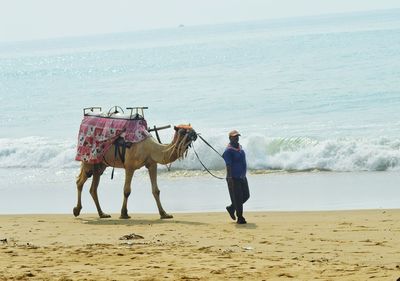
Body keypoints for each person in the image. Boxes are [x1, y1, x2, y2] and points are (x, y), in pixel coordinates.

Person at [222, 130, 250, 224]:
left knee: (246, 196)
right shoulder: (228, 151)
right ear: (230, 138)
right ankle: (240, 217)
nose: (236, 138)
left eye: (237, 136)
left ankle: (232, 207)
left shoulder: (239, 147)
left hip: (242, 177)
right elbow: (228, 166)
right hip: (233, 178)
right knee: (238, 198)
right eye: (234, 136)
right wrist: (229, 178)